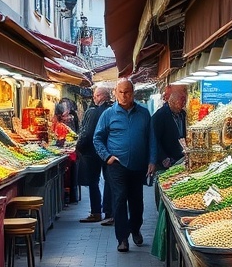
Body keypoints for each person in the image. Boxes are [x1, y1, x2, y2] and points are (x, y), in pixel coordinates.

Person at [94, 78, 156, 252]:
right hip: (117, 165)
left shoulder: (143, 113)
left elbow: (151, 138)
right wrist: (107, 157)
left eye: (127, 92)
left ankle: (135, 229)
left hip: (138, 165)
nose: (123, 95)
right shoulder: (108, 114)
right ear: (115, 93)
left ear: (133, 93)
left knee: (137, 201)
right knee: (120, 199)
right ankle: (122, 238)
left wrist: (152, 160)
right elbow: (97, 138)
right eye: (120, 92)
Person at [76, 85, 114, 224]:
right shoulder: (113, 110)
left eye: (96, 96)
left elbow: (88, 133)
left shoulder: (94, 112)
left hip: (93, 152)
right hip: (109, 151)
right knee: (109, 181)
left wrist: (79, 147)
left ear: (102, 96)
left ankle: (96, 212)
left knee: (93, 182)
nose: (94, 98)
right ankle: (110, 213)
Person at [152, 84, 188, 170]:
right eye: (181, 99)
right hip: (166, 163)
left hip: (180, 159)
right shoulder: (159, 116)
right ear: (172, 100)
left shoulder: (182, 114)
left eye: (184, 100)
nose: (183, 103)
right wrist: (163, 158)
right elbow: (153, 140)